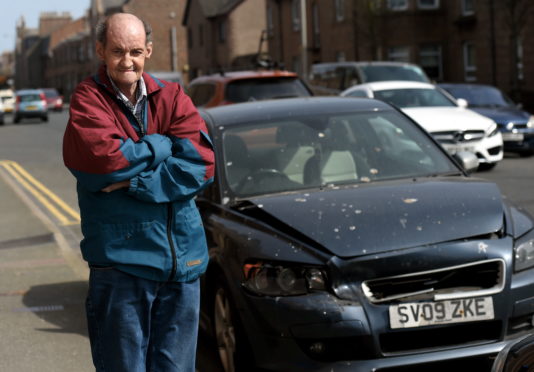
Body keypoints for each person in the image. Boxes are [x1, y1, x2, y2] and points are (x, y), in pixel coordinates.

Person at [62, 13, 215, 372]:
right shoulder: (88, 99)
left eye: (134, 51)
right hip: (122, 266)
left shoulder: (174, 96)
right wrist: (161, 146)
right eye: (117, 51)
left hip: (183, 267)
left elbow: (202, 165)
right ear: (100, 50)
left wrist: (136, 183)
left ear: (148, 50)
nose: (127, 61)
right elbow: (105, 161)